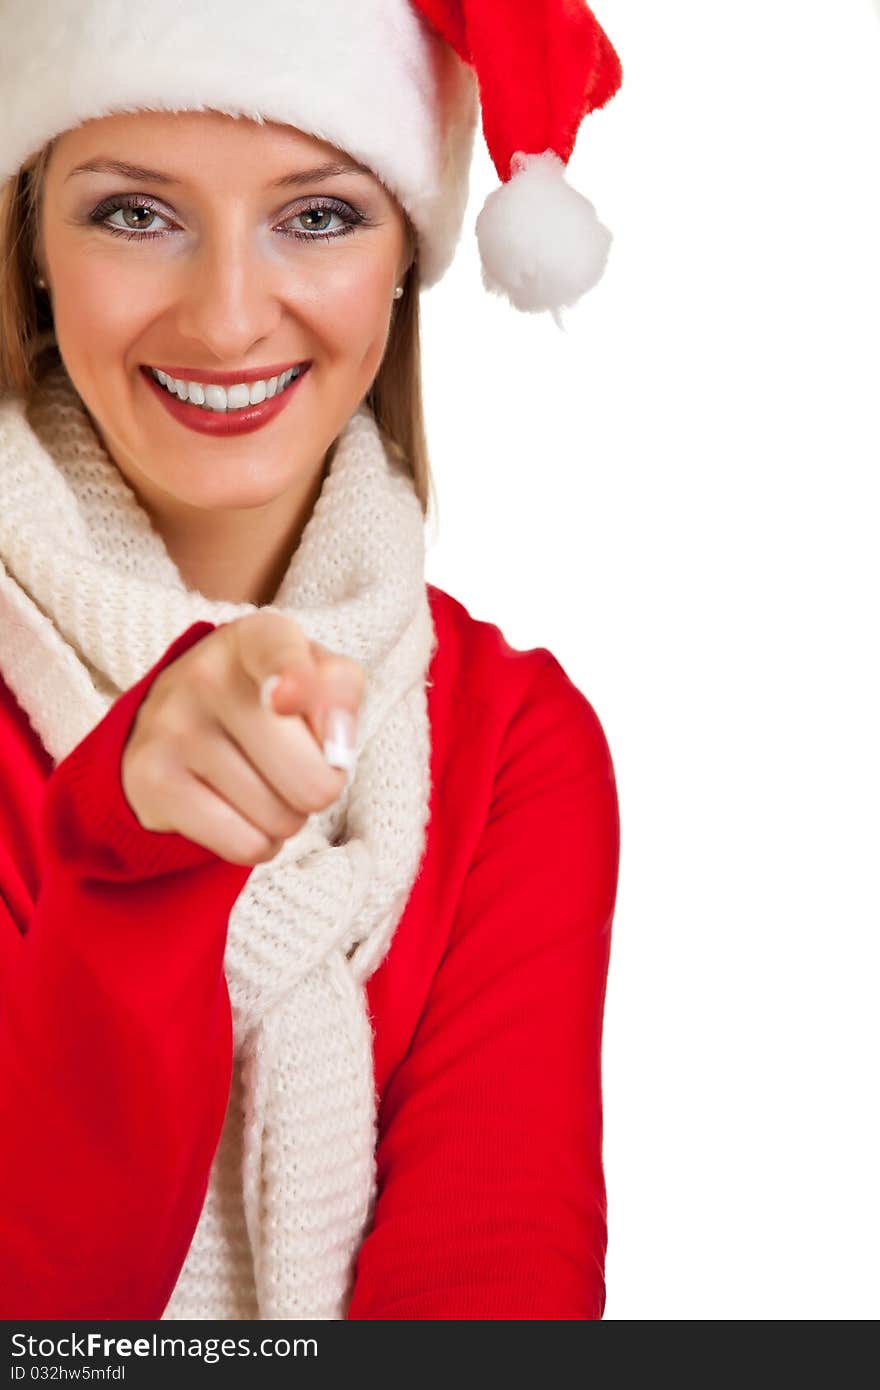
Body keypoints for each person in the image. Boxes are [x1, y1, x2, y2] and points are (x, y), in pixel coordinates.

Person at [0, 0, 622, 1321]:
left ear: (407, 245)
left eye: (320, 213)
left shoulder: (516, 747)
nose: (227, 320)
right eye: (133, 213)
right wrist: (141, 846)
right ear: (34, 243)